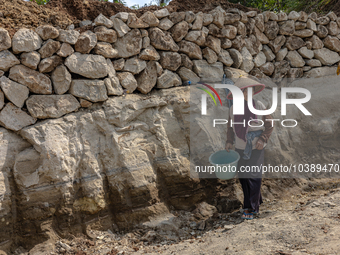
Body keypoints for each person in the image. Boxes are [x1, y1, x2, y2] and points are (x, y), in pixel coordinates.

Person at [225, 77, 274, 220]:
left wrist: (263, 139)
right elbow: (229, 127)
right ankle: (253, 202)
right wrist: (229, 141)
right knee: (244, 177)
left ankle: (252, 208)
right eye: (246, 92)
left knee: (253, 176)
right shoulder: (233, 109)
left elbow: (270, 125)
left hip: (256, 145)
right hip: (240, 146)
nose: (249, 94)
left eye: (250, 91)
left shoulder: (258, 105)